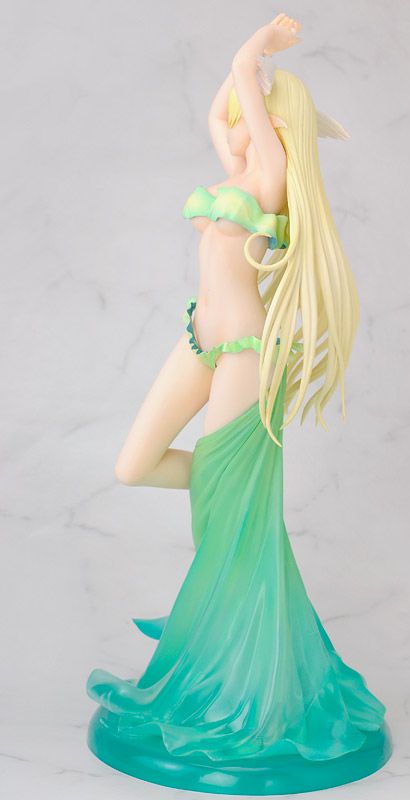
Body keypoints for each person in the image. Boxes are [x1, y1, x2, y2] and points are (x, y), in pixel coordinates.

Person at [86, 13, 392, 794]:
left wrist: (257, 48)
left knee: (229, 510)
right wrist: (239, 78)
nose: (240, 119)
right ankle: (235, 491)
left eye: (257, 112)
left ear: (279, 123)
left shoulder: (274, 177)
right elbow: (218, 111)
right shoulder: (238, 166)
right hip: (200, 334)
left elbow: (245, 93)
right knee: (132, 465)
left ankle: (243, 665)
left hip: (249, 353)